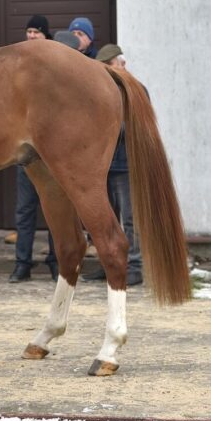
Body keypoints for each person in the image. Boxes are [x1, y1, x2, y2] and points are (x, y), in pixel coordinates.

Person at [82, 43, 143, 286]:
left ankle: (135, 265)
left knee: (130, 218)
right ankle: (107, 262)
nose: (122, 66)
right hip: (104, 167)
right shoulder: (98, 92)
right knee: (105, 219)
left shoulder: (135, 90)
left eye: (119, 62)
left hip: (126, 165)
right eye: (117, 63)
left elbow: (135, 128)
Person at [10, 16, 59, 283]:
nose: (30, 36)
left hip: (51, 153)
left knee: (56, 209)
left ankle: (56, 261)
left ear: (45, 36)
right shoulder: (21, 65)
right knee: (25, 211)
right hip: (27, 154)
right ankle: (22, 263)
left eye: (36, 32)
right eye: (28, 31)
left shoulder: (54, 65)